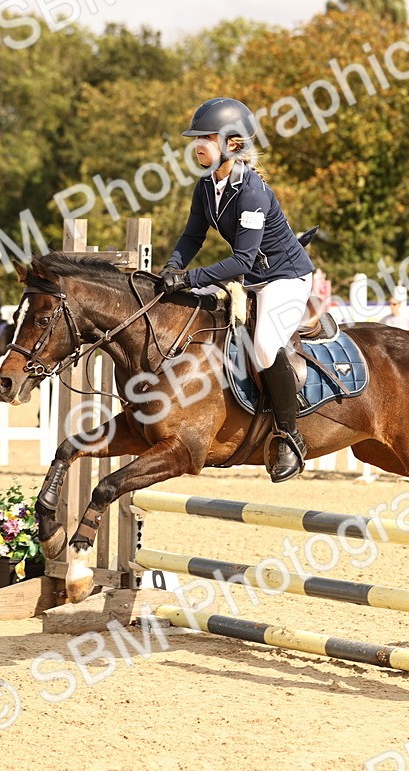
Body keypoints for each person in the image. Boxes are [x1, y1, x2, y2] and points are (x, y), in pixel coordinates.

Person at [157, 97, 316, 483]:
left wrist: (191, 279)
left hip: (286, 279)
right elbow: (192, 236)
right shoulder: (205, 187)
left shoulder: (251, 191)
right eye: (196, 138)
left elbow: (243, 260)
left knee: (263, 346)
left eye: (205, 138)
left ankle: (289, 436)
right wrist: (171, 268)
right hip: (254, 281)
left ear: (231, 143)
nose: (198, 145)